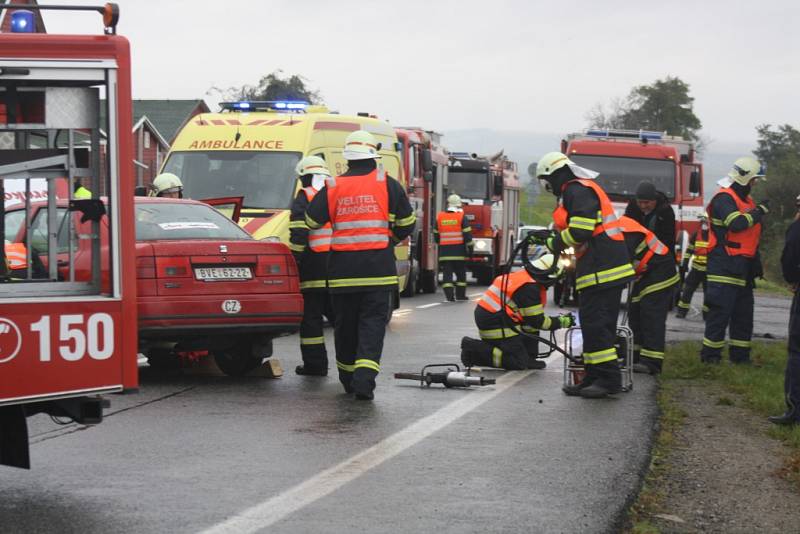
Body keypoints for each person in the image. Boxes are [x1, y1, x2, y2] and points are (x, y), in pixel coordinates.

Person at [305, 131, 415, 400]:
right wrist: (390, 239)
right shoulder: (387, 183)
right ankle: (364, 382)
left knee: (346, 328)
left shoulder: (332, 186)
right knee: (372, 328)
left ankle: (348, 380)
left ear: (348, 158)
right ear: (373, 155)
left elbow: (311, 221)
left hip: (343, 274)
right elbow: (408, 222)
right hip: (378, 273)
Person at [536, 152, 635, 398]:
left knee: (598, 326)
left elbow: (581, 229)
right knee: (591, 327)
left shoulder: (576, 190)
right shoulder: (577, 190)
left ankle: (609, 380)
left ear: (554, 175)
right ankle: (593, 376)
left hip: (604, 270)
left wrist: (556, 242)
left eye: (546, 182)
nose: (548, 189)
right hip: (598, 269)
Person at [700, 156, 768, 364]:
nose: (755, 183)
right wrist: (760, 212)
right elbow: (736, 224)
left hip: (743, 268)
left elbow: (750, 237)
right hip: (724, 265)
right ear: (747, 179)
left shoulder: (747, 201)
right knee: (719, 315)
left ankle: (740, 359)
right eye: (755, 179)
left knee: (743, 316)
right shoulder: (724, 199)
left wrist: (755, 264)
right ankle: (710, 359)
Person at [460, 253, 574, 370]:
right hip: (495, 321)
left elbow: (530, 323)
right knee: (518, 362)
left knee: (524, 354)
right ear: (549, 275)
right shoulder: (529, 288)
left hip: (500, 317)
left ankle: (528, 357)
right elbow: (537, 321)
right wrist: (561, 322)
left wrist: (530, 357)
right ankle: (472, 351)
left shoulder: (528, 279)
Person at [288, 155, 334, 376]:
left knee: (311, 319)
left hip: (314, 265)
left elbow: (299, 232)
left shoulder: (305, 195)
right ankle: (353, 365)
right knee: (341, 319)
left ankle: (315, 366)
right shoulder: (337, 193)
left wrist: (294, 261)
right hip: (339, 265)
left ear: (305, 177)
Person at [618, 216, 680, 374]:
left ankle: (652, 362)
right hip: (647, 273)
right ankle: (635, 356)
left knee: (651, 316)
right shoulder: (617, 229)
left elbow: (621, 262)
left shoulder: (624, 231)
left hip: (661, 272)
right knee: (635, 313)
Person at [768, 196, 800, 426]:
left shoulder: (797, 228)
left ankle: (795, 411)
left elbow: (789, 257)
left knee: (797, 351)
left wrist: (793, 280)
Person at [434, 193, 473, 301]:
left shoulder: (440, 217)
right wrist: (470, 249)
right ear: (459, 205)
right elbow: (467, 235)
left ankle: (449, 296)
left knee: (447, 275)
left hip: (445, 253)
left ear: (448, 204)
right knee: (461, 275)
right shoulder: (461, 217)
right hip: (459, 253)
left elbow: (436, 235)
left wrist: (441, 244)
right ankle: (460, 295)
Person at [625, 181, 676, 252]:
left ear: (654, 200)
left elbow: (667, 239)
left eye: (646, 202)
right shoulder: (632, 207)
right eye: (640, 202)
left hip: (658, 251)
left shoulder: (665, 212)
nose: (643, 206)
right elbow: (626, 228)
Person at [676, 214, 710, 319]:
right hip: (696, 268)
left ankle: (707, 315)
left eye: (706, 222)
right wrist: (685, 264)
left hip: (709, 270)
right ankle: (682, 312)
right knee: (687, 290)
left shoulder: (715, 236)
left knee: (708, 293)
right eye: (703, 222)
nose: (704, 224)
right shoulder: (696, 234)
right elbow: (689, 251)